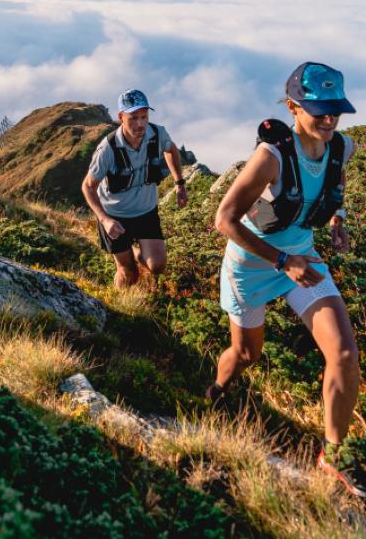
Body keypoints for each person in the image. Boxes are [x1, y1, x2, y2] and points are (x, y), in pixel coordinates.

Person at [210, 61, 364, 496]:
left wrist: (338, 218)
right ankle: (217, 391)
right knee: (245, 356)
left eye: (336, 109)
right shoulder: (272, 156)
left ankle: (333, 455)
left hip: (302, 259)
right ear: (294, 107)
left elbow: (338, 179)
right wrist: (282, 261)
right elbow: (224, 220)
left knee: (345, 354)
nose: (330, 119)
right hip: (253, 264)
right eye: (319, 110)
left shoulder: (342, 147)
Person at [82, 88, 188, 288]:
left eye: (144, 117)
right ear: (121, 117)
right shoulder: (108, 149)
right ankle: (121, 305)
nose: (140, 124)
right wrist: (105, 220)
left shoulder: (157, 134)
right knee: (129, 273)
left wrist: (179, 184)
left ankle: (136, 251)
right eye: (133, 118)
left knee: (157, 266)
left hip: (146, 211)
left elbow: (171, 149)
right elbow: (88, 186)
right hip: (115, 215)